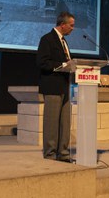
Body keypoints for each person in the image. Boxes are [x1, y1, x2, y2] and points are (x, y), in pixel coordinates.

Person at [36, 11, 75, 162]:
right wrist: (63, 65)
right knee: (51, 122)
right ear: (62, 24)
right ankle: (50, 154)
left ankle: (63, 153)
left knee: (65, 122)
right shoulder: (47, 39)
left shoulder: (64, 41)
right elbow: (42, 63)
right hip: (52, 86)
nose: (73, 28)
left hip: (65, 86)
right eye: (71, 25)